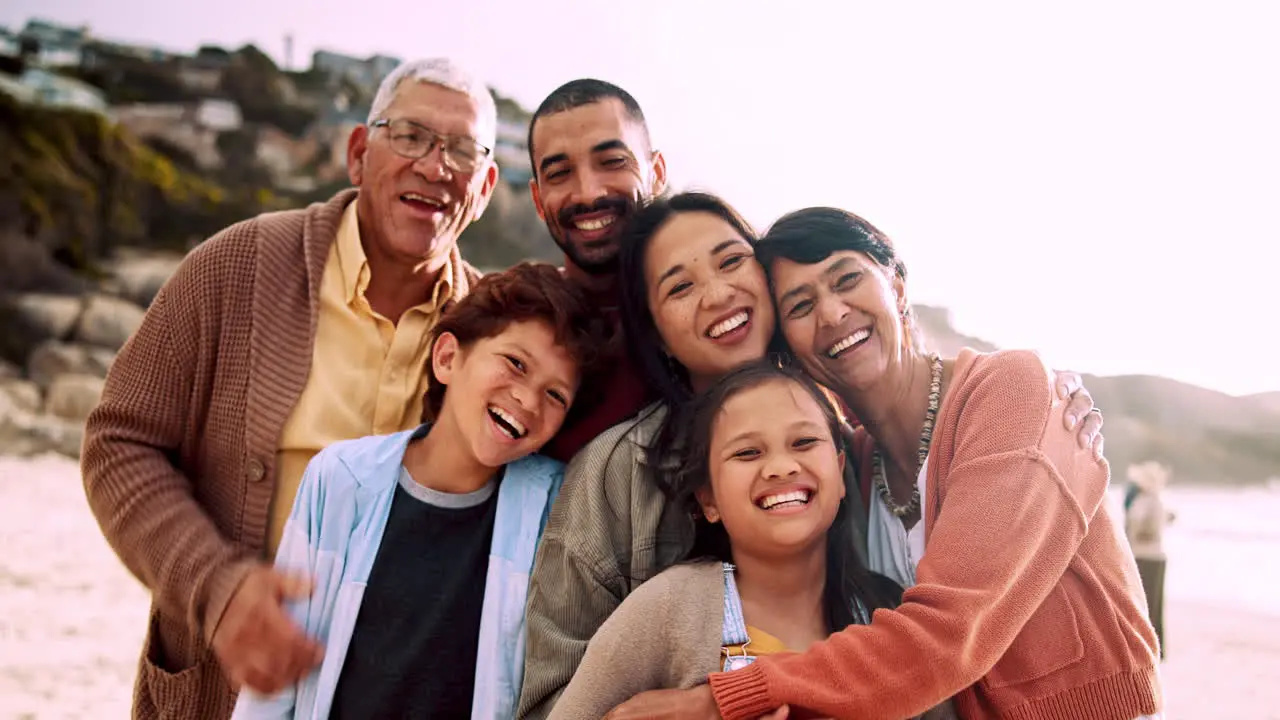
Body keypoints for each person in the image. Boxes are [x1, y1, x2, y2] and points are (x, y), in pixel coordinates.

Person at [516, 192, 1105, 718]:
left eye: (729, 262)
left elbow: (940, 638)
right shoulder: (623, 481)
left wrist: (727, 698)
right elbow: (558, 700)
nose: (718, 294)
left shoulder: (846, 449)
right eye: (680, 285)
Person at [80, 57, 500, 719]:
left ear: (484, 188)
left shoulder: (492, 333)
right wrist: (215, 589)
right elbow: (120, 441)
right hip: (219, 689)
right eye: (411, 136)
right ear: (359, 153)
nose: (434, 165)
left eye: (462, 150)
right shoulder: (236, 266)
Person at [230, 262, 609, 719]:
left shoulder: (550, 508)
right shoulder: (341, 479)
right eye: (515, 363)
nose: (528, 399)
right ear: (448, 358)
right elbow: (276, 673)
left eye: (555, 396)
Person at [550, 362, 962, 720]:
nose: (781, 466)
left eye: (803, 442)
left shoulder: (887, 617)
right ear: (707, 499)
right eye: (748, 452)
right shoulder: (667, 610)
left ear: (839, 474)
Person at [523, 78, 668, 460]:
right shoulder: (517, 326)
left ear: (657, 172)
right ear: (538, 199)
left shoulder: (712, 315)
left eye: (613, 162)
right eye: (559, 173)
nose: (588, 192)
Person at [1125, 460, 1175, 660]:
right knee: (1154, 603)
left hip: (1144, 555)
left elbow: (1139, 528)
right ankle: (1157, 646)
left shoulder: (1145, 500)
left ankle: (1149, 646)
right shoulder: (1157, 499)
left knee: (1145, 603)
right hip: (1156, 555)